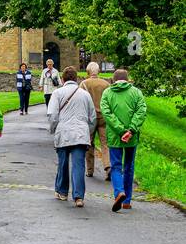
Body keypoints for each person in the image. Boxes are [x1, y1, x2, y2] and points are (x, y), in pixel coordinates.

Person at [47, 66, 96, 207]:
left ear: (62, 79)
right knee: (78, 165)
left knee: (63, 163)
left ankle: (62, 192)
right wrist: (89, 132)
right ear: (76, 79)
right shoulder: (85, 95)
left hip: (63, 132)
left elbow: (53, 115)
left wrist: (53, 129)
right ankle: (78, 196)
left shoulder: (57, 93)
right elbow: (92, 117)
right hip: (81, 133)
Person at [100, 69, 148, 212]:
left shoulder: (107, 93)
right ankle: (126, 201)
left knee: (115, 166)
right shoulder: (136, 93)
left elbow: (107, 114)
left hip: (115, 136)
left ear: (113, 80)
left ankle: (119, 192)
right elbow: (141, 111)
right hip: (131, 137)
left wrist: (121, 130)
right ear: (128, 80)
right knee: (129, 166)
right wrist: (131, 130)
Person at [79, 62, 111, 180]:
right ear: (98, 71)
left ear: (88, 71)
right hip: (103, 117)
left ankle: (90, 170)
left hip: (90, 118)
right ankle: (108, 167)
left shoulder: (84, 84)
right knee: (105, 143)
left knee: (89, 143)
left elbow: (80, 100)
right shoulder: (106, 84)